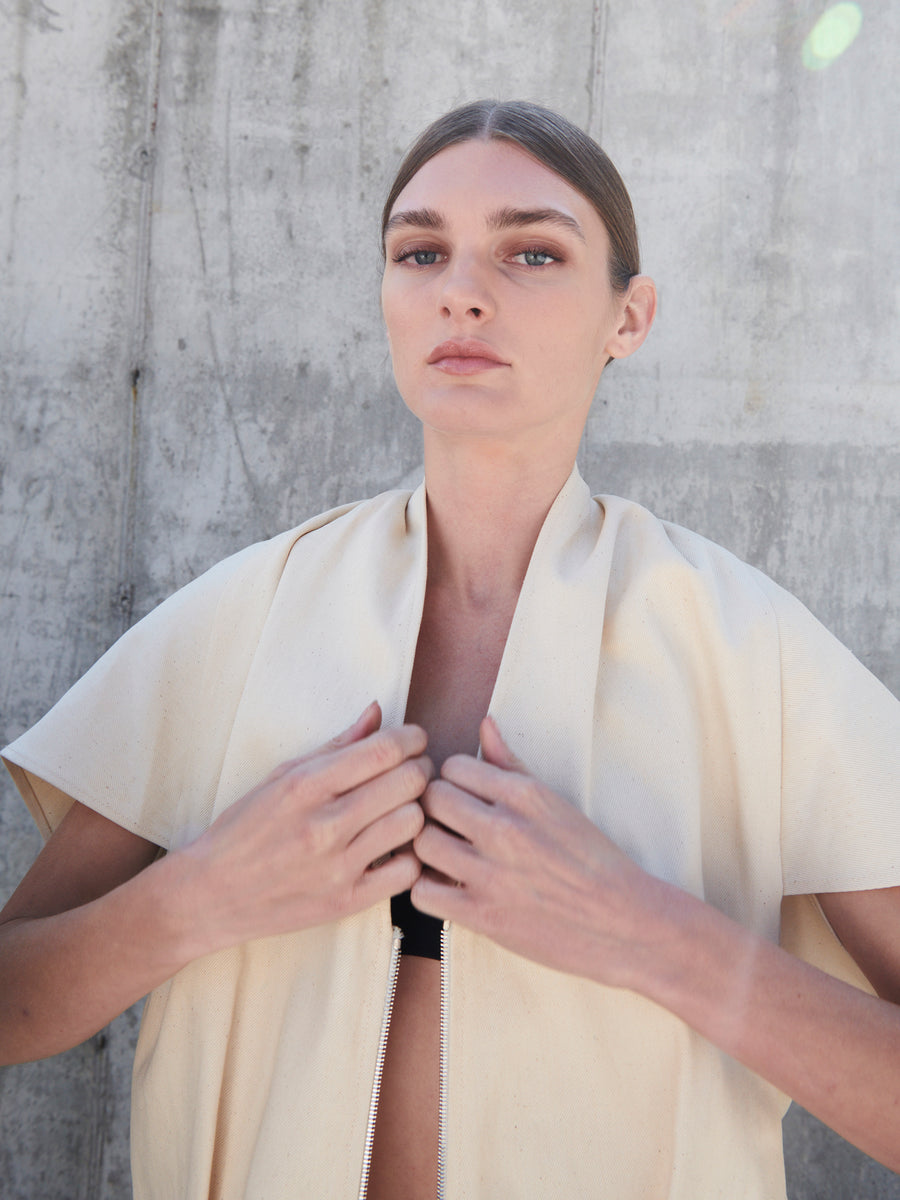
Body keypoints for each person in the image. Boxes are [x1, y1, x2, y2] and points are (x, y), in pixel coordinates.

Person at [2, 99, 899, 1200]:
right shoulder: (239, 619)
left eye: (532, 251)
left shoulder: (755, 656)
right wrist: (205, 896)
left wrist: (653, 934)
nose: (460, 291)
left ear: (630, 316)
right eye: (420, 251)